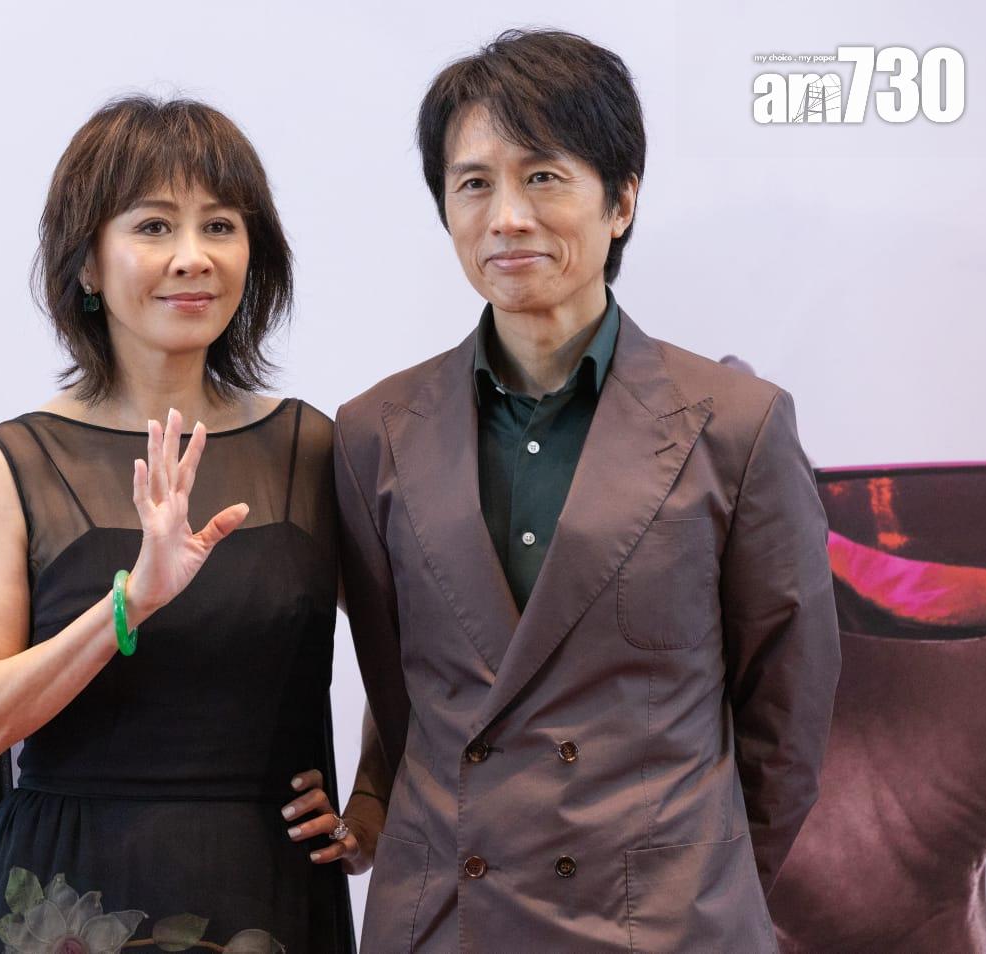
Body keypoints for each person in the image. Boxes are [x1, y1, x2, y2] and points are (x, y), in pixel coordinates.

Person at [332, 29, 842, 952]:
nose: (507, 218)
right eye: (473, 183)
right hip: (447, 919)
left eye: (543, 177)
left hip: (664, 921)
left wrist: (703, 883)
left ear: (621, 201)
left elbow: (787, 713)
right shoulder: (374, 430)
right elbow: (399, 692)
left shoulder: (735, 423)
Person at [0, 95, 356, 954]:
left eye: (220, 226)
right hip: (69, 897)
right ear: (88, 264)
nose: (192, 257)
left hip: (264, 887)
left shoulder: (310, 448)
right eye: (154, 226)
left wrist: (377, 796)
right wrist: (132, 602)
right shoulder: (8, 464)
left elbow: (428, 654)